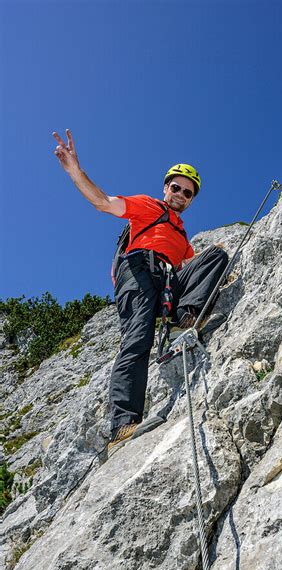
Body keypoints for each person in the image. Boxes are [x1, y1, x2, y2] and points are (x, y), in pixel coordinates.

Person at [52, 129, 228, 453]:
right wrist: (74, 169)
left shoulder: (181, 235)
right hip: (139, 273)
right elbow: (103, 203)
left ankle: (183, 320)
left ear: (190, 200)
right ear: (166, 188)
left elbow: (195, 269)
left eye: (187, 193)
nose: (179, 194)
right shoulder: (148, 207)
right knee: (138, 339)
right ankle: (122, 423)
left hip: (167, 282)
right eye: (175, 187)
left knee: (217, 254)